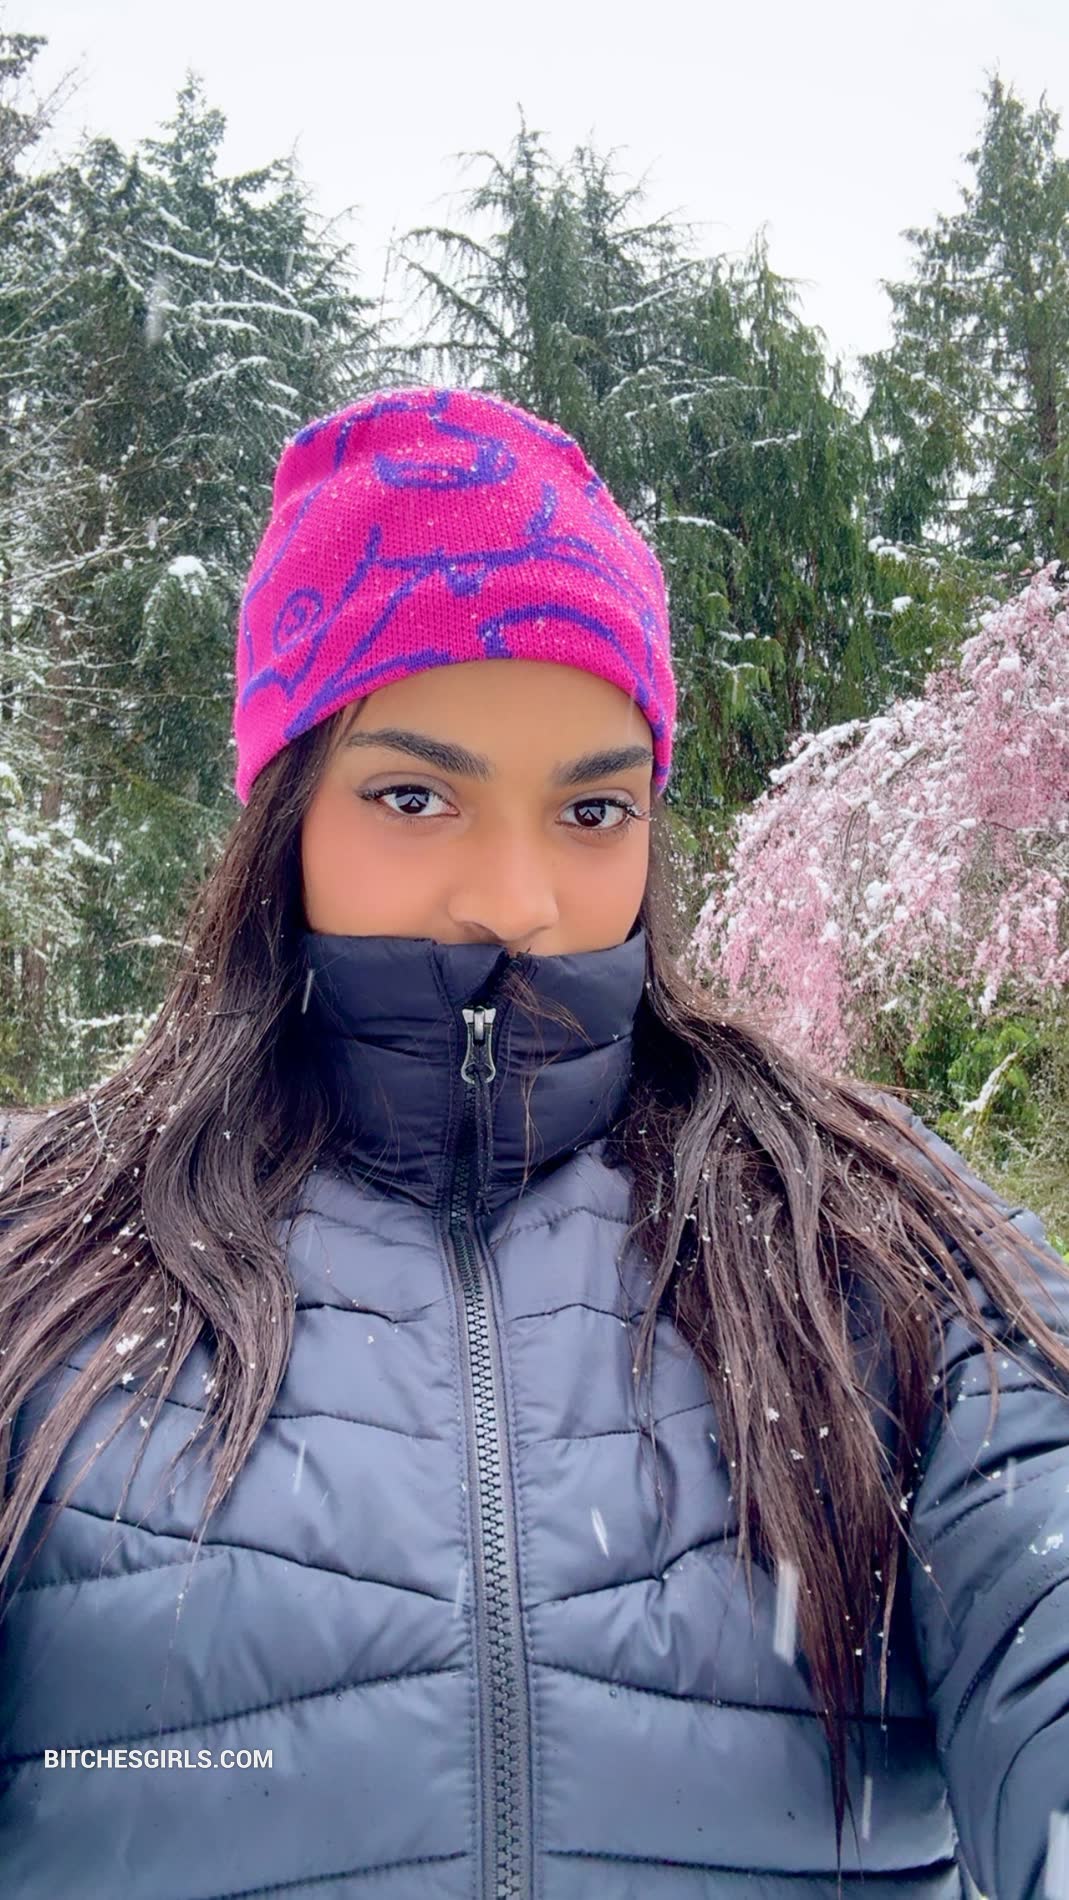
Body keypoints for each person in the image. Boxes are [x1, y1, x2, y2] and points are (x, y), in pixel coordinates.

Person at [0, 385, 1067, 1900]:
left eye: (591, 811)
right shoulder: (43, 1249)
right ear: (285, 814)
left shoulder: (869, 1229)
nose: (515, 898)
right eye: (415, 794)